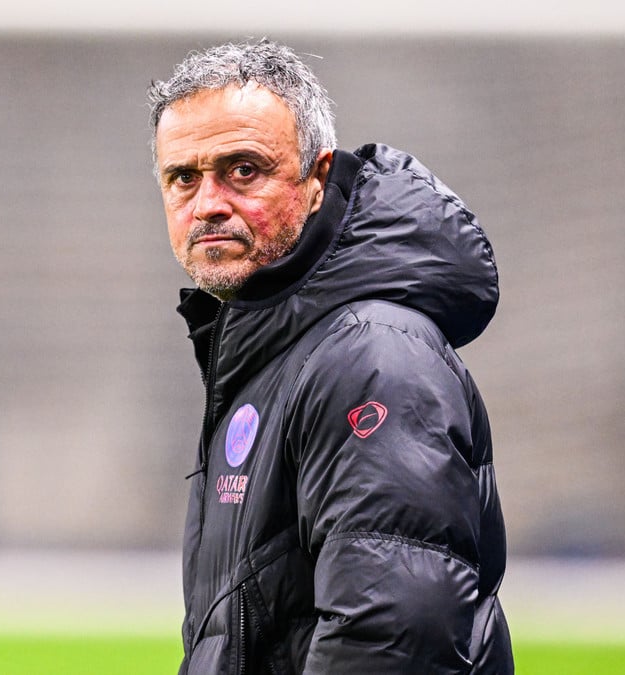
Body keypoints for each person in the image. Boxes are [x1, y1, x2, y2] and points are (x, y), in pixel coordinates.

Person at [148, 40, 513, 674]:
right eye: (183, 177)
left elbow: (389, 643)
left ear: (317, 179)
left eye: (243, 170)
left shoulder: (373, 356)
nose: (207, 204)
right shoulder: (275, 348)